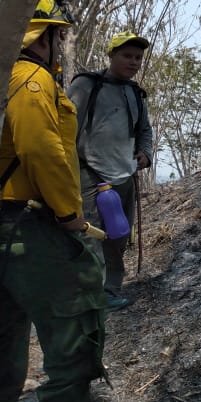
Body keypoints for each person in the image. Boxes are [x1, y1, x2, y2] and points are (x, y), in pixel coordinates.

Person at [0, 0, 121, 402]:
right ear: (41, 34)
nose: (59, 44)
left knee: (1, 331)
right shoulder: (31, 79)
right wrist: (69, 215)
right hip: (31, 222)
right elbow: (42, 152)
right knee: (77, 311)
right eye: (58, 35)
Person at [67, 31, 153, 311]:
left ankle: (111, 289)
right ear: (111, 56)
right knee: (92, 234)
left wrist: (145, 153)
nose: (133, 62)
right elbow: (65, 129)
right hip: (89, 174)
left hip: (124, 174)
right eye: (127, 56)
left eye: (138, 57)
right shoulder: (85, 86)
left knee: (118, 234)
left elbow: (144, 131)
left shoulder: (135, 93)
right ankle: (89, 291)